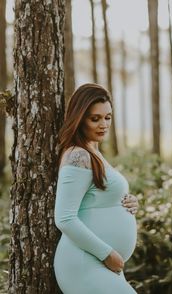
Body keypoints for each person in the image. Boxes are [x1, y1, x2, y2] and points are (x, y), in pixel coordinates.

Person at [53, 83, 139, 294]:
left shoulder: (93, 153)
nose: (103, 124)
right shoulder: (78, 155)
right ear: (79, 118)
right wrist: (107, 254)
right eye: (95, 118)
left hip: (100, 262)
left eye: (107, 117)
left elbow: (99, 199)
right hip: (85, 263)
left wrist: (130, 203)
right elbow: (64, 218)